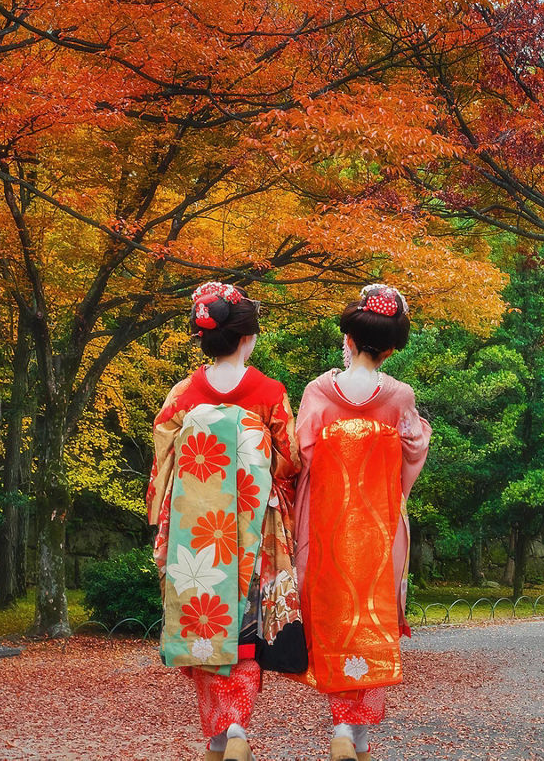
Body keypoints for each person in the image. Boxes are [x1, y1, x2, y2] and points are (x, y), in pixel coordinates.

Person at [146, 282, 300, 761]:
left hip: (196, 530)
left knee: (202, 626)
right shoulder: (270, 392)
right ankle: (235, 726)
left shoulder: (185, 393)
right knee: (243, 630)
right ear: (248, 338)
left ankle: (218, 734)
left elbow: (165, 453)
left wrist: (162, 512)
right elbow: (290, 459)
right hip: (252, 526)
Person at [293, 284, 431, 761]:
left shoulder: (317, 391)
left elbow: (299, 456)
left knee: (335, 619)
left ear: (347, 339)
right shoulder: (399, 395)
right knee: (374, 619)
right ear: (391, 347)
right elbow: (413, 449)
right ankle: (360, 737)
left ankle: (339, 727)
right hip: (380, 526)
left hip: (326, 527)